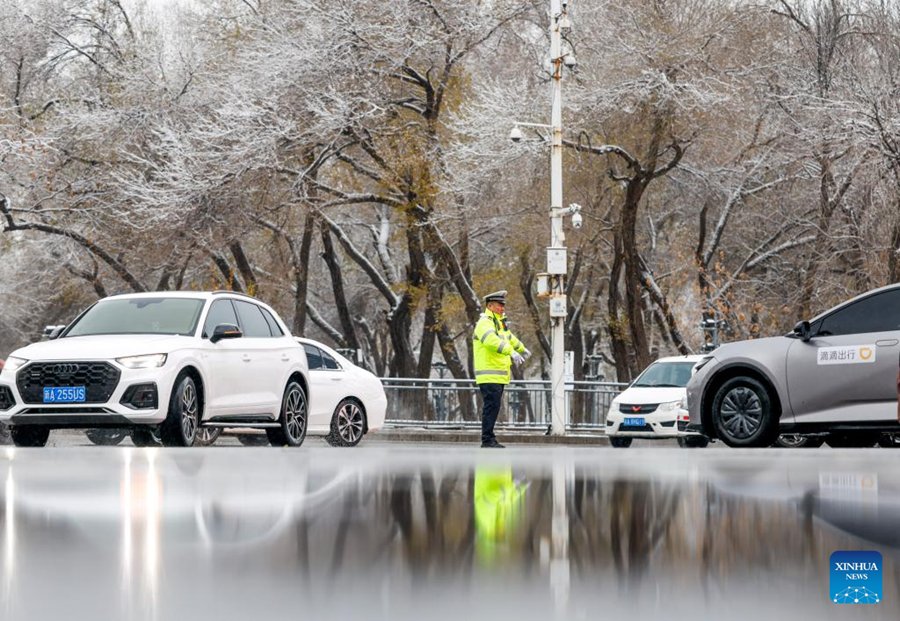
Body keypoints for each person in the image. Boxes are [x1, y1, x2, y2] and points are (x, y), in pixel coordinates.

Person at [472, 291, 530, 448]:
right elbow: (491, 341)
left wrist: (522, 348)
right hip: (489, 373)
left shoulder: (499, 323)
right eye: (500, 305)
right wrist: (511, 352)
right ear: (490, 306)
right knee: (491, 407)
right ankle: (487, 439)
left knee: (494, 407)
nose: (503, 307)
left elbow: (509, 338)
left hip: (497, 374)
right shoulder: (485, 322)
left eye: (504, 304)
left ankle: (490, 438)